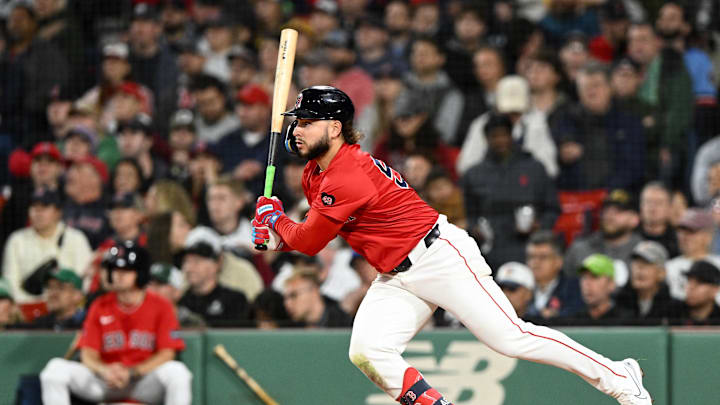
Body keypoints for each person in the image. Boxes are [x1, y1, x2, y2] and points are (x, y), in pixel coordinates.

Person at [250, 86, 653, 405]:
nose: (295, 130)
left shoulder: (347, 174)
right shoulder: (315, 173)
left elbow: (310, 241)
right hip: (395, 274)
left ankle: (618, 376)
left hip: (439, 256)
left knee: (511, 337)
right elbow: (321, 232)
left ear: (335, 127)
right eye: (296, 121)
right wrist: (275, 239)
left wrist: (275, 222)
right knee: (368, 351)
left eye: (306, 122)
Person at [39, 242, 192, 405]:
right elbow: (88, 354)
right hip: (105, 381)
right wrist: (104, 371)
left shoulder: (161, 306)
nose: (117, 275)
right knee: (54, 370)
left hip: (142, 381)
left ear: (140, 273)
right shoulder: (99, 305)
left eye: (125, 270)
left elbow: (167, 354)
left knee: (178, 372)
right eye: (114, 269)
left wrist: (133, 372)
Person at [2, 188, 92, 303]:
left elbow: (84, 281)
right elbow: (10, 284)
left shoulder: (76, 238)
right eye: (34, 207)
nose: (38, 213)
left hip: (68, 306)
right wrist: (36, 304)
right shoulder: (16, 240)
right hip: (27, 307)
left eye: (44, 207)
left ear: (58, 212)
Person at [564, 189, 642, 288]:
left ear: (634, 219)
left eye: (618, 212)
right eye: (606, 210)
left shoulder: (643, 252)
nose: (610, 216)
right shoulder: (580, 249)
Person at [177, 231, 251, 327]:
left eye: (197, 261)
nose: (189, 267)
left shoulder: (235, 300)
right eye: (186, 261)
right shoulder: (182, 302)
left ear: (217, 264)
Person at [616, 241, 681, 325]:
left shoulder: (675, 309)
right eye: (635, 263)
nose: (639, 268)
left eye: (646, 263)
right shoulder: (619, 303)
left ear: (661, 273)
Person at [525, 230, 584, 321]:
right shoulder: (521, 288)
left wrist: (557, 316)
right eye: (531, 257)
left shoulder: (574, 288)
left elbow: (578, 314)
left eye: (543, 257)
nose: (535, 262)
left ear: (558, 262)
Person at [568, 254, 631, 325]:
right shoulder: (574, 321)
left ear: (611, 284)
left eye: (594, 276)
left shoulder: (627, 321)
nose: (587, 284)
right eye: (584, 277)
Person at [283, 270, 353, 328]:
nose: (287, 303)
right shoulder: (289, 328)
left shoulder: (346, 325)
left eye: (294, 295)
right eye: (285, 298)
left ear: (314, 290)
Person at [671, 260, 720, 325]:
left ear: (715, 289)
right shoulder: (672, 312)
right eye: (689, 281)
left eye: (699, 282)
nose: (691, 287)